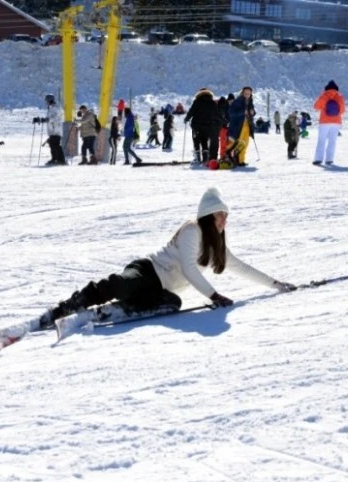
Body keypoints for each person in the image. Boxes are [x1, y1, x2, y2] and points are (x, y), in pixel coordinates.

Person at [33, 187, 297, 330]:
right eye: (219, 215)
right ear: (207, 216)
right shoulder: (192, 229)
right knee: (121, 284)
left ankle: (108, 312)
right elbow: (189, 269)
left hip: (162, 289)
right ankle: (65, 308)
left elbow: (241, 267)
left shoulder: (216, 245)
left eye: (226, 215)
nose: (224, 220)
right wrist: (214, 297)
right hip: (148, 271)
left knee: (172, 303)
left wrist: (276, 284)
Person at [312, 80, 345, 165]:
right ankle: (329, 159)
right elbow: (342, 110)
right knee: (332, 141)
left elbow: (316, 106)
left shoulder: (324, 95)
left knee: (321, 140)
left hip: (324, 121)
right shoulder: (339, 96)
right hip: (336, 122)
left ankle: (318, 159)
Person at [184, 87, 220, 164]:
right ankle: (205, 159)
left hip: (197, 126)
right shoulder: (212, 102)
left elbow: (191, 111)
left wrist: (186, 119)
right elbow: (216, 114)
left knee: (196, 141)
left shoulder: (197, 101)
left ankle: (197, 159)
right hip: (208, 126)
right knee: (205, 142)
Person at [225, 86, 256, 166]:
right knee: (237, 143)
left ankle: (241, 160)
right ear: (242, 93)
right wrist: (243, 112)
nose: (247, 94)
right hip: (238, 126)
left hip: (247, 125)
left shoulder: (250, 102)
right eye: (246, 93)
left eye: (249, 93)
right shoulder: (237, 101)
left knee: (245, 143)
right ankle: (228, 156)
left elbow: (251, 113)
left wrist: (253, 113)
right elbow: (231, 113)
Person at [43, 94, 66, 166]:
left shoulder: (56, 108)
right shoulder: (51, 108)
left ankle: (61, 160)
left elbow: (55, 117)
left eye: (47, 101)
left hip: (56, 130)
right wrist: (44, 120)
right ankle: (54, 158)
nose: (46, 102)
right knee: (52, 145)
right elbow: (50, 118)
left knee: (56, 145)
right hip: (52, 130)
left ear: (50, 100)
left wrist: (48, 119)